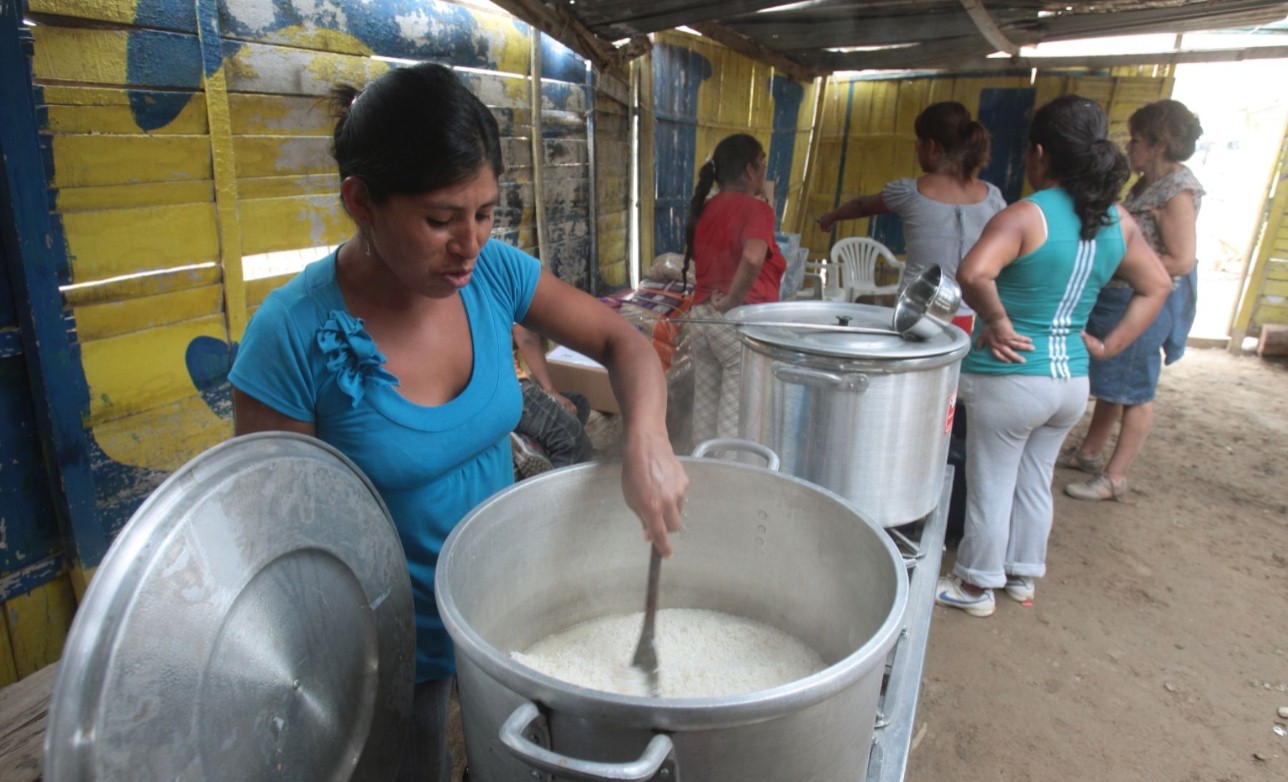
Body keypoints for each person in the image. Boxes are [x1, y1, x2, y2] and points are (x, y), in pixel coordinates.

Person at [227, 63, 689, 782]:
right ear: (361, 201)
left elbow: (621, 343)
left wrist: (647, 438)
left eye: (485, 213)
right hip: (384, 647)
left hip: (502, 609)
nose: (469, 243)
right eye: (441, 220)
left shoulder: (493, 274)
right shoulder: (290, 335)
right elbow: (278, 539)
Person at [936, 95, 1172, 618]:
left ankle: (974, 585)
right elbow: (1157, 285)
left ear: (1039, 153)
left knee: (992, 482)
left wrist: (998, 321)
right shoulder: (1117, 220)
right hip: (1071, 382)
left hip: (1011, 378)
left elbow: (973, 273)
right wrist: (1108, 346)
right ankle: (1022, 575)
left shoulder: (1026, 215)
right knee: (1034, 479)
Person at [1060, 100, 1205, 502]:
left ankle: (1115, 477)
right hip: (1120, 296)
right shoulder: (1148, 184)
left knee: (1135, 392)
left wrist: (1125, 266)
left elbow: (1181, 259)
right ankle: (1090, 453)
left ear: (1159, 144)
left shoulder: (1178, 190)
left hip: (1143, 301)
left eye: (1136, 139)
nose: (1129, 145)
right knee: (1113, 383)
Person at [815, 101, 1005, 332]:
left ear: (931, 147)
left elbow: (860, 206)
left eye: (919, 143)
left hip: (915, 313)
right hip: (970, 314)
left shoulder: (910, 192)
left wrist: (831, 216)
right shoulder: (992, 198)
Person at [682, 133, 786, 446]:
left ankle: (699, 468)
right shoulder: (756, 209)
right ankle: (726, 473)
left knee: (705, 415)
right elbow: (753, 257)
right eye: (763, 164)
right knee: (734, 424)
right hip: (736, 324)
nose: (765, 171)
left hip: (701, 320)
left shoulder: (706, 208)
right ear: (749, 170)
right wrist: (731, 301)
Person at [511, 323, 593, 472]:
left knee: (578, 403)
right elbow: (526, 337)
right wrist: (550, 390)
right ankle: (552, 484)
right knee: (572, 439)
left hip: (511, 380)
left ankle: (529, 445)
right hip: (509, 385)